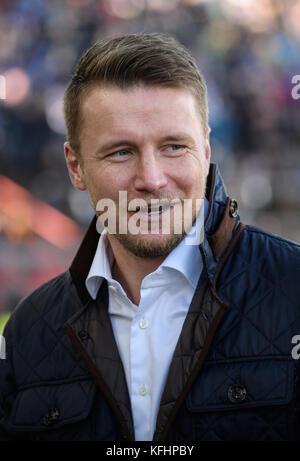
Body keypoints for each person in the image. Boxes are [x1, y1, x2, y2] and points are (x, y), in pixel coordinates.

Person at [1, 32, 300, 442]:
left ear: (207, 150)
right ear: (75, 166)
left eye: (174, 147)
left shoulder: (294, 288)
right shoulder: (28, 332)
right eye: (121, 152)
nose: (152, 179)